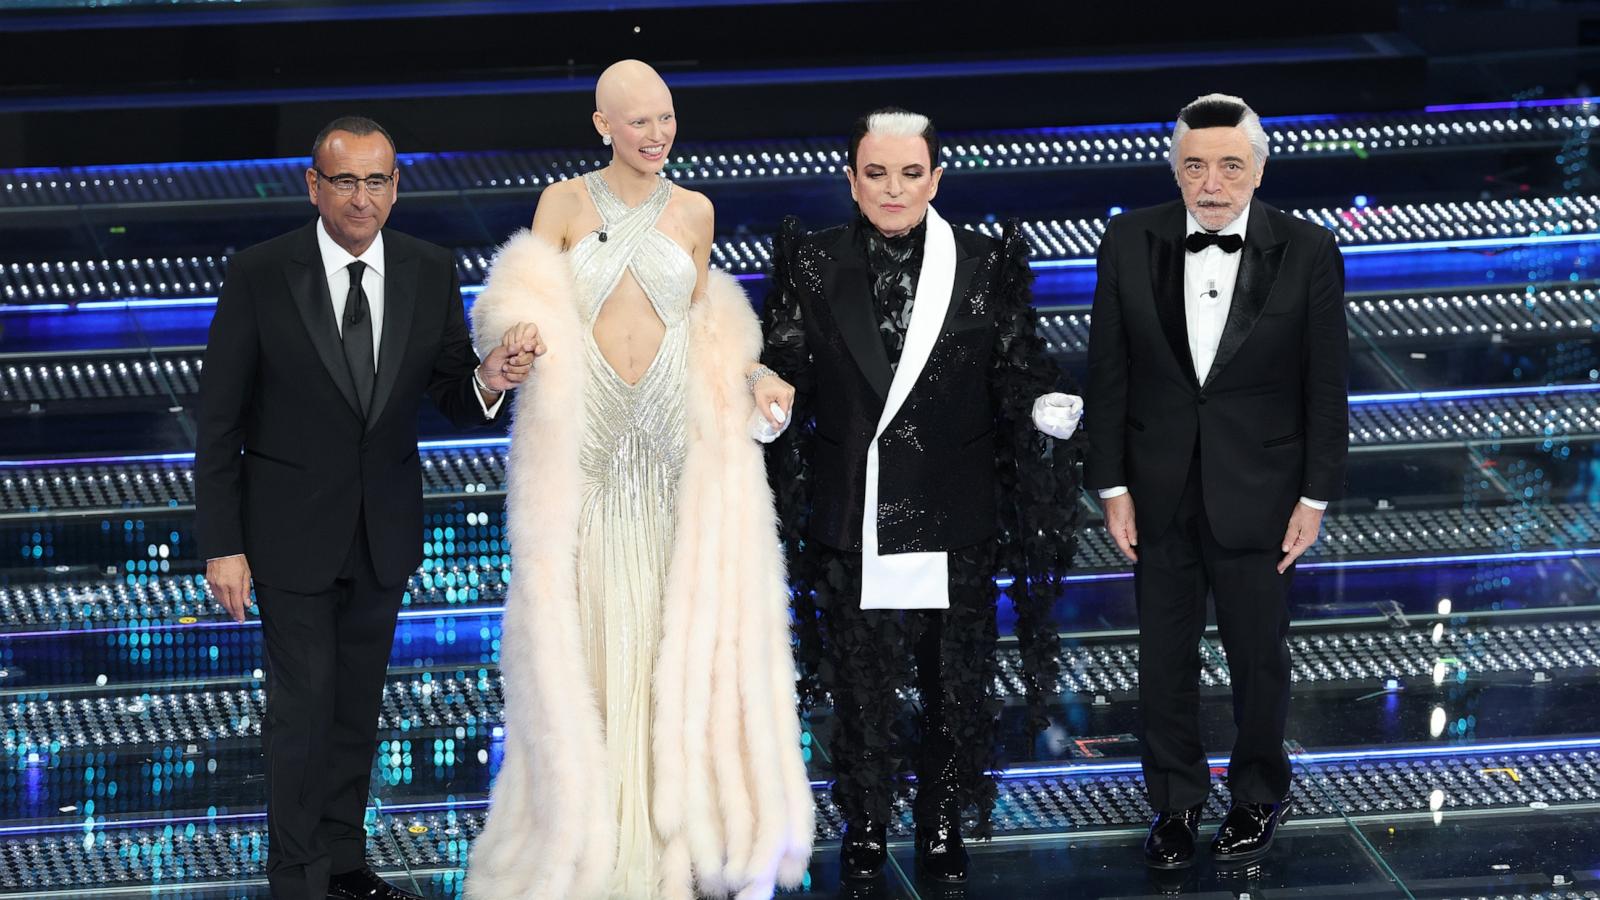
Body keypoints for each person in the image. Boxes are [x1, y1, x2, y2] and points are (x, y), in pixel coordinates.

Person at [463, 60, 813, 900]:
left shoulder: (695, 211)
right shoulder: (564, 204)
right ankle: (589, 841)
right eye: (639, 121)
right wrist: (514, 335)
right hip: (586, 457)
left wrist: (754, 375)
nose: (657, 135)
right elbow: (517, 299)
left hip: (669, 456)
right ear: (602, 126)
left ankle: (675, 843)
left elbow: (709, 330)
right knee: (585, 640)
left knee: (672, 640)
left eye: (667, 118)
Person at [195, 116, 536, 900]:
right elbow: (220, 420)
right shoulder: (260, 271)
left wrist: (491, 375)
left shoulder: (427, 267)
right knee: (301, 713)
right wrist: (223, 543)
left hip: (382, 533)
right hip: (286, 537)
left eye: (376, 180)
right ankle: (297, 878)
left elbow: (452, 391)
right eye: (344, 180)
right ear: (313, 186)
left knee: (355, 712)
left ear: (396, 186)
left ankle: (344, 864)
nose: (361, 197)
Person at [760, 107, 1084, 886]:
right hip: (851, 508)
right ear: (852, 179)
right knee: (861, 682)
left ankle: (941, 822)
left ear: (936, 179)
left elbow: (1014, 363)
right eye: (877, 173)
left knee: (953, 683)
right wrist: (767, 390)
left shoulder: (983, 262)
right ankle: (866, 823)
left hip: (953, 508)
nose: (894, 188)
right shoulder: (811, 262)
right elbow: (786, 356)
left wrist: (1038, 403)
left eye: (911, 173)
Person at [1084, 93, 1349, 869]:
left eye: (1230, 165)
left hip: (1263, 493)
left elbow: (1325, 386)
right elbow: (1108, 372)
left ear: (1259, 169)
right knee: (1161, 659)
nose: (1212, 182)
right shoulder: (1128, 239)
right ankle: (1174, 804)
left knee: (1258, 658)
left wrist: (1315, 495)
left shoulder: (1308, 249)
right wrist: (1110, 484)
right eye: (1195, 165)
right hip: (1156, 487)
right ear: (1175, 167)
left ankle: (1258, 795)